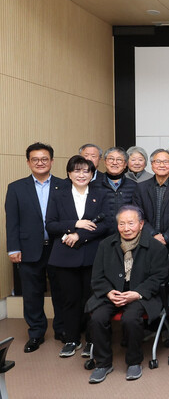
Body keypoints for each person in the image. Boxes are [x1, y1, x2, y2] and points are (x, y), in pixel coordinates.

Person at [85, 205, 169, 383]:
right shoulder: (106, 245)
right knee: (98, 317)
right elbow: (97, 276)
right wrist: (108, 292)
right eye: (122, 224)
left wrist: (137, 293)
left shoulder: (155, 247)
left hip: (141, 295)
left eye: (131, 223)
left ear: (141, 224)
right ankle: (103, 363)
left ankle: (134, 361)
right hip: (112, 293)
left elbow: (159, 277)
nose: (126, 228)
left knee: (131, 318)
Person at [5, 143, 67, 352]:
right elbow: (12, 221)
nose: (40, 163)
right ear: (28, 162)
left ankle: (62, 329)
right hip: (29, 248)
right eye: (35, 159)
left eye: (44, 159)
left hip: (59, 247)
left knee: (61, 291)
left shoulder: (64, 185)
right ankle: (36, 333)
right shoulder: (16, 188)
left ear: (51, 161)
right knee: (32, 294)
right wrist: (13, 248)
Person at [46, 155, 110, 357]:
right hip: (65, 256)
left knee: (92, 299)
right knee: (70, 299)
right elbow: (50, 224)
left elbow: (105, 224)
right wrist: (75, 224)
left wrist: (78, 235)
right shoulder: (58, 194)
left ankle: (92, 340)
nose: (81, 175)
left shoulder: (101, 194)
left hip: (93, 255)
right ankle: (72, 339)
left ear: (92, 174)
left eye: (86, 171)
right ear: (68, 173)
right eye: (76, 170)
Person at [132, 148, 169, 247]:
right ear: (152, 164)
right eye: (157, 161)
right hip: (146, 241)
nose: (162, 165)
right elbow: (138, 215)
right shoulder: (141, 188)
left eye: (166, 162)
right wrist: (153, 234)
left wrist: (166, 237)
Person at [97, 147, 137, 233]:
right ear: (105, 162)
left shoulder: (134, 186)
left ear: (125, 164)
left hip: (126, 233)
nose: (114, 163)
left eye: (119, 160)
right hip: (100, 234)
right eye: (111, 159)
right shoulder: (94, 185)